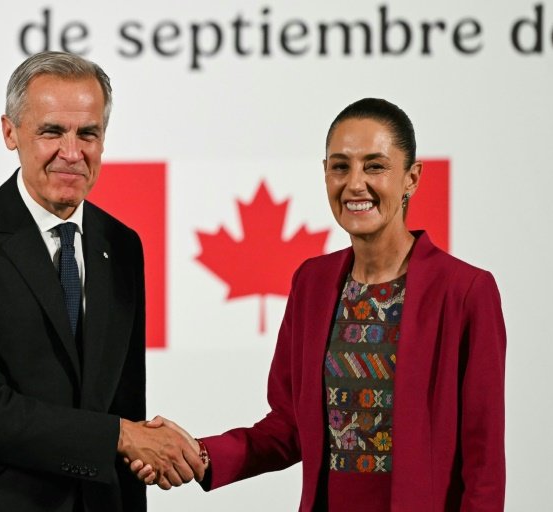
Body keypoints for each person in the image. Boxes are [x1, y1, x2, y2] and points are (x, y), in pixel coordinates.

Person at [132, 98, 506, 511]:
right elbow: (289, 427)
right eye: (340, 166)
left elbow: (484, 461)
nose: (355, 184)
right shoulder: (313, 282)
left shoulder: (465, 291)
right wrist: (200, 455)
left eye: (375, 166)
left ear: (411, 178)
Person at [0, 51, 204, 512]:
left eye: (88, 134)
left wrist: (134, 449)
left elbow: (123, 404)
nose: (72, 153)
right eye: (52, 131)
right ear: (10, 132)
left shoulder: (121, 244)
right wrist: (119, 437)